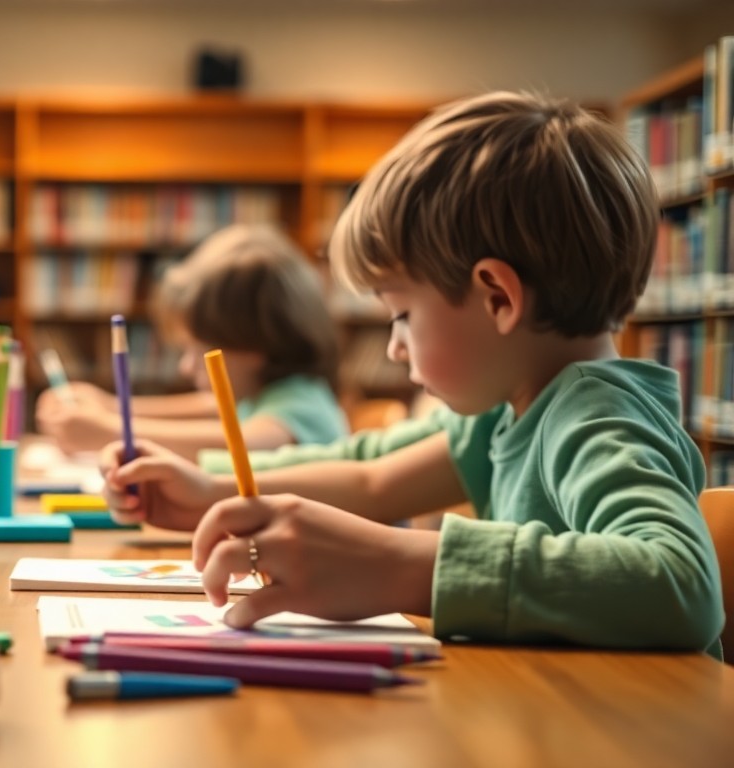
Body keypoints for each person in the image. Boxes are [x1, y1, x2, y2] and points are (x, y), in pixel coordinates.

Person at [102, 92, 724, 656]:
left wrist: (399, 565)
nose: (396, 348)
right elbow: (370, 476)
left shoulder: (596, 418)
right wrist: (211, 491)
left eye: (402, 314)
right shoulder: (505, 415)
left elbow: (682, 585)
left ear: (498, 299)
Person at [38, 225, 347, 460]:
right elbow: (208, 407)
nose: (186, 367)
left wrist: (109, 432)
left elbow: (243, 444)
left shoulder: (303, 405)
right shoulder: (263, 393)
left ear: (253, 345)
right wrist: (111, 407)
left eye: (197, 349)